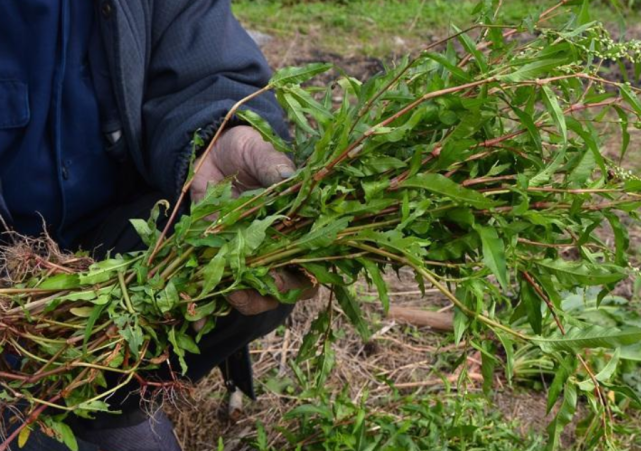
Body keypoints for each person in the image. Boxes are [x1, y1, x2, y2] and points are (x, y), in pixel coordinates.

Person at [0, 1, 312, 450]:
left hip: (108, 254)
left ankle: (103, 400)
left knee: (249, 241)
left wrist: (218, 135)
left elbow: (205, 68)